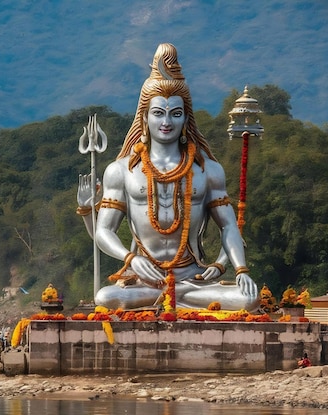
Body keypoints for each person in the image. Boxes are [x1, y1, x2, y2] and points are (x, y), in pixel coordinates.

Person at [77, 43, 259, 311]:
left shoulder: (207, 169)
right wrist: (130, 258)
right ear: (144, 118)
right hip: (143, 278)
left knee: (248, 299)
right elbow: (104, 231)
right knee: (105, 297)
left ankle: (178, 297)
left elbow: (229, 226)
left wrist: (239, 269)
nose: (166, 123)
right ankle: (172, 299)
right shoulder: (121, 170)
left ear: (186, 119)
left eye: (175, 114)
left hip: (192, 277)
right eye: (158, 113)